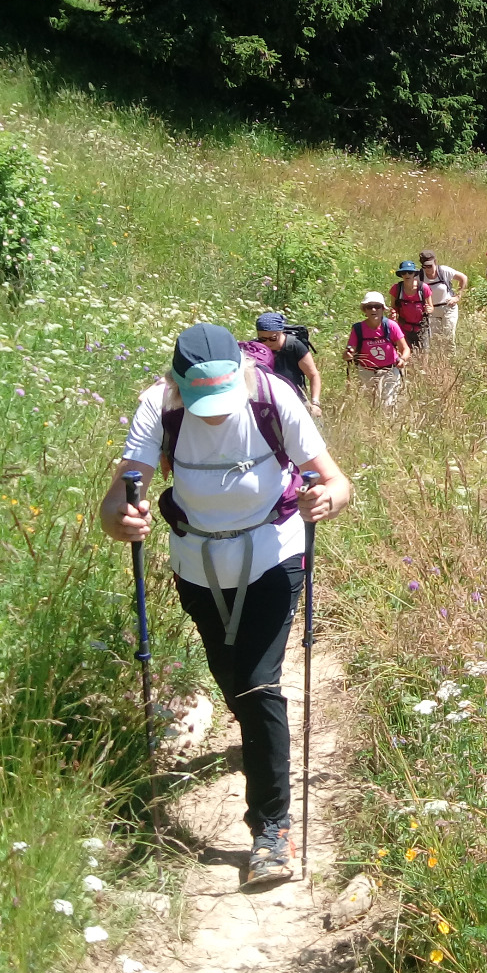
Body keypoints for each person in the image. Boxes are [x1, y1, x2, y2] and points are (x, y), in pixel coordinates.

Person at [101, 323, 353, 891]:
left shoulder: (272, 395)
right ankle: (261, 739)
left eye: (222, 398)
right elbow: (119, 497)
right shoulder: (158, 404)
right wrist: (121, 518)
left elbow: (337, 482)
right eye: (201, 401)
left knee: (260, 684)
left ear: (241, 377)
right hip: (198, 566)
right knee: (231, 678)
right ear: (177, 384)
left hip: (273, 555)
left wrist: (326, 499)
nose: (213, 413)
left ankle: (270, 831)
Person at [248, 312, 322, 416]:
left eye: (273, 338)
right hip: (266, 405)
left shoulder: (295, 346)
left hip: (296, 403)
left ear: (281, 332)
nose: (267, 343)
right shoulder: (255, 348)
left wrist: (315, 403)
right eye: (262, 339)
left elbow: (313, 375)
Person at [344, 291, 410, 406]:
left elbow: (405, 349)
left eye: (377, 307)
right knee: (371, 404)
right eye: (369, 307)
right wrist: (347, 354)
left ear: (382, 309)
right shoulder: (358, 329)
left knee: (387, 405)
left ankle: (388, 423)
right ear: (365, 310)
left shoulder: (391, 326)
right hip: (366, 372)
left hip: (389, 371)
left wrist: (403, 359)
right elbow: (350, 350)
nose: (373, 310)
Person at [419, 250, 467, 349]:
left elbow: (463, 278)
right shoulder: (419, 275)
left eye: (430, 266)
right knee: (436, 340)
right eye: (425, 266)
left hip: (448, 308)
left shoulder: (443, 271)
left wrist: (458, 296)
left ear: (435, 262)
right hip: (432, 311)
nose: (428, 269)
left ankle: (451, 361)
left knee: (449, 337)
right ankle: (440, 362)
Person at [388, 262, 434, 350]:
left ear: (414, 274)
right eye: (404, 272)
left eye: (410, 272)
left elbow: (431, 308)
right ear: (401, 274)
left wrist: (429, 309)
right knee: (405, 352)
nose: (407, 275)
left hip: (422, 328)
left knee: (424, 354)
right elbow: (393, 307)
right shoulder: (396, 289)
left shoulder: (424, 288)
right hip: (403, 328)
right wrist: (392, 313)